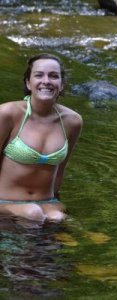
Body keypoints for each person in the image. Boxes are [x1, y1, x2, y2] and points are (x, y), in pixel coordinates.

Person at [0, 53, 82, 223]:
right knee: (33, 213)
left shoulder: (72, 121)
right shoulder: (8, 114)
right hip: (6, 202)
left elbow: (60, 171)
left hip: (46, 202)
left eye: (54, 76)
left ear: (62, 84)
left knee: (57, 218)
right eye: (39, 75)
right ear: (28, 83)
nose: (46, 81)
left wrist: (55, 203)